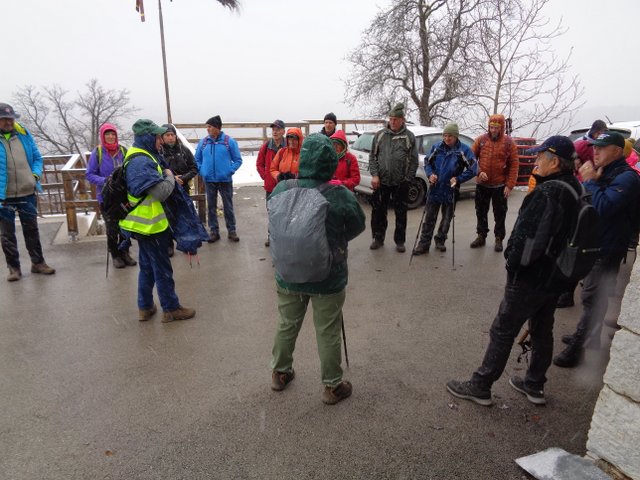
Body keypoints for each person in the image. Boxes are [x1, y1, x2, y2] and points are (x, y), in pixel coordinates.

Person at [446, 136, 581, 406]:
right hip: (556, 276)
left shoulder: (547, 192)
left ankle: (481, 385)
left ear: (554, 162)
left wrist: (513, 262)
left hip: (532, 277)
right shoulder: (575, 188)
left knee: (503, 330)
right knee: (542, 330)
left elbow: (529, 240)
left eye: (540, 157)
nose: (536, 161)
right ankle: (534, 385)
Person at [269, 133, 365, 404]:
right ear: (330, 162)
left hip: (288, 272)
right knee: (328, 329)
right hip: (328, 276)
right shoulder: (340, 195)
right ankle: (332, 386)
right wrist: (333, 240)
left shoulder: (282, 189)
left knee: (287, 324)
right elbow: (357, 225)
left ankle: (280, 372)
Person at [553, 131, 640, 368]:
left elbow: (603, 207)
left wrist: (591, 180)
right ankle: (589, 338)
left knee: (592, 298)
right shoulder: (607, 172)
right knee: (594, 295)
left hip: (608, 247)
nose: (595, 151)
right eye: (594, 147)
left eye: (602, 147)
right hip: (595, 243)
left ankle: (578, 349)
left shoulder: (627, 178)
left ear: (617, 151)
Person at [120, 119, 195, 323]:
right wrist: (169, 176)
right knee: (162, 268)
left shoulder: (139, 154)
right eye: (157, 137)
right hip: (151, 224)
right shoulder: (141, 161)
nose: (161, 140)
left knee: (147, 266)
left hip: (142, 223)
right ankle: (171, 309)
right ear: (147, 137)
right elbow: (160, 192)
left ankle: (145, 307)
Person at [0, 102, 55, 282]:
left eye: (10, 118)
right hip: (4, 196)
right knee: (7, 235)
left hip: (27, 191)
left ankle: (38, 263)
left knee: (31, 230)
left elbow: (37, 158)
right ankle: (14, 268)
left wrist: (35, 175)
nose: (8, 122)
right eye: (4, 119)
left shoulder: (23, 134)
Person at [412, 123, 476, 255]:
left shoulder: (463, 150)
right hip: (435, 188)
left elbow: (473, 168)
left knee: (447, 218)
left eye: (450, 136)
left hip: (451, 190)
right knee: (429, 218)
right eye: (445, 135)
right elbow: (427, 162)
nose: (447, 138)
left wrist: (458, 179)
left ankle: (440, 240)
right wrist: (430, 174)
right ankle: (423, 244)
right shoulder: (436, 147)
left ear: (456, 136)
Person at [368, 103, 419, 253]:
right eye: (391, 119)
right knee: (379, 211)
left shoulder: (409, 136)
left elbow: (414, 161)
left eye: (396, 119)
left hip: (401, 182)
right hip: (382, 181)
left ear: (402, 120)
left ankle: (400, 241)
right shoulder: (380, 135)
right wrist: (375, 175)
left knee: (401, 213)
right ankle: (378, 238)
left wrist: (408, 179)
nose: (393, 122)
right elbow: (372, 156)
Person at [86, 123, 136, 269]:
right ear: (103, 136)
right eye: (107, 134)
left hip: (123, 196)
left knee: (126, 226)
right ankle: (115, 254)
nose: (110, 136)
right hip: (106, 197)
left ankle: (125, 252)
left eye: (113, 134)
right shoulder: (98, 153)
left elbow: (130, 169)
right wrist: (105, 181)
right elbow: (89, 174)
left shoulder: (123, 151)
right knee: (112, 228)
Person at [469, 114, 519, 252]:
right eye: (491, 127)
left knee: (500, 214)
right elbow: (470, 159)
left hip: (500, 185)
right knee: (480, 212)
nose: (493, 130)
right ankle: (481, 236)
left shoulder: (509, 143)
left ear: (502, 128)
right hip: (482, 185)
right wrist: (478, 172)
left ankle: (499, 238)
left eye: (496, 128)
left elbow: (514, 165)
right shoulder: (481, 140)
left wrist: (509, 185)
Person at [195, 115, 243, 243]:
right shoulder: (203, 142)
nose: (208, 129)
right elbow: (197, 159)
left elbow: (238, 160)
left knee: (228, 206)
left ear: (217, 127)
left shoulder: (229, 142)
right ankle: (214, 231)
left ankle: (232, 231)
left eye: (210, 126)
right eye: (207, 127)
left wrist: (229, 171)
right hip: (209, 180)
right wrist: (202, 170)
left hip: (225, 180)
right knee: (211, 206)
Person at [161, 123, 198, 256]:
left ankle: (187, 243)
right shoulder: (158, 152)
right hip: (166, 191)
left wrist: (184, 178)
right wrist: (170, 178)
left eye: (172, 135)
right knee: (168, 218)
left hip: (183, 189)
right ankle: (169, 245)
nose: (170, 137)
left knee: (185, 216)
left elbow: (194, 168)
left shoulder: (184, 150)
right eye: (167, 135)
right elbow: (155, 171)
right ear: (162, 137)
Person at [256, 120, 286, 246]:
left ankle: (284, 237)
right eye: (273, 129)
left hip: (284, 186)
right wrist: (266, 176)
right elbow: (259, 164)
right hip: (270, 187)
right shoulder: (266, 146)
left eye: (278, 129)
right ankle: (271, 236)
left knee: (285, 212)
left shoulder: (288, 146)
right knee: (272, 212)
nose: (275, 132)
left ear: (283, 131)